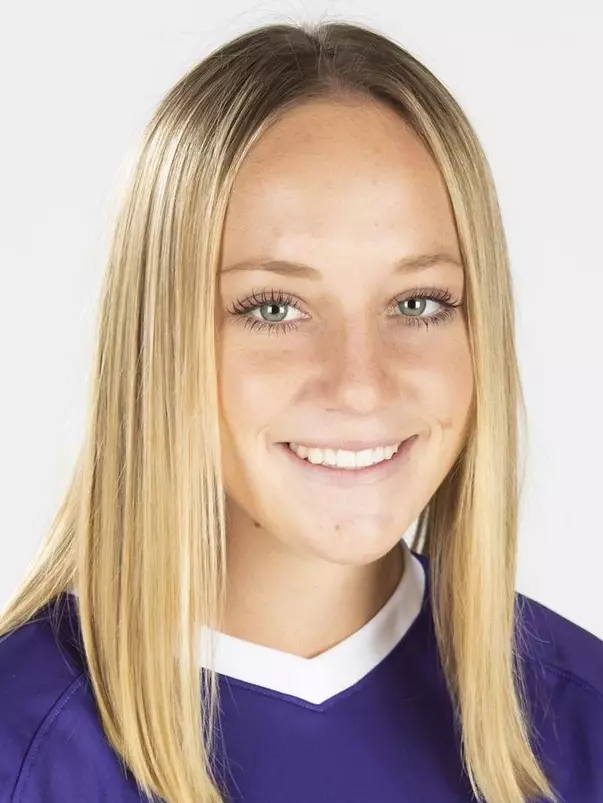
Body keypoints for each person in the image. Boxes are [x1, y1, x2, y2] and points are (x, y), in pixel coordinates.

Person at [0, 18, 601, 803]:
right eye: (275, 308)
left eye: (416, 302)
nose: (358, 383)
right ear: (157, 343)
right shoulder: (23, 750)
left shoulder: (581, 726)